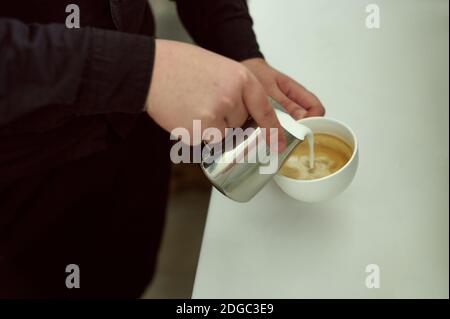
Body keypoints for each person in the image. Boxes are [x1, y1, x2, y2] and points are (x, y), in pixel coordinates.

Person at [0, 0, 325, 298]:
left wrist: (236, 44)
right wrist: (141, 72)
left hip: (134, 126)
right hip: (20, 172)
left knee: (123, 279)